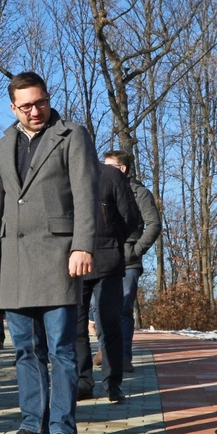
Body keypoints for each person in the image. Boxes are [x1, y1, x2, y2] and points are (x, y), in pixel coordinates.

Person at [0, 72, 97, 434]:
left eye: (40, 102)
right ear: (13, 108)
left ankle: (62, 431)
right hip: (14, 260)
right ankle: (32, 425)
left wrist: (82, 246)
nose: (35, 111)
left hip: (59, 257)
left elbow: (86, 194)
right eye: (26, 105)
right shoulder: (3, 145)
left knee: (61, 349)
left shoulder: (71, 135)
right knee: (25, 350)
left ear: (48, 98)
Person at [76, 161, 141, 403]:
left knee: (109, 324)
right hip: (73, 262)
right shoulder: (64, 172)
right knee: (76, 326)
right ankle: (83, 382)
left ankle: (113, 384)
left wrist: (112, 241)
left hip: (107, 261)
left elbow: (131, 217)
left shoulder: (110, 175)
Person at [103, 149, 161, 372]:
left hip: (128, 261)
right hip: (104, 257)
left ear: (122, 168)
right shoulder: (101, 188)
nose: (103, 170)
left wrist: (135, 251)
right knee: (100, 309)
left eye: (108, 166)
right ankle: (106, 351)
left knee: (124, 308)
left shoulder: (140, 192)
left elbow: (154, 224)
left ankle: (123, 357)